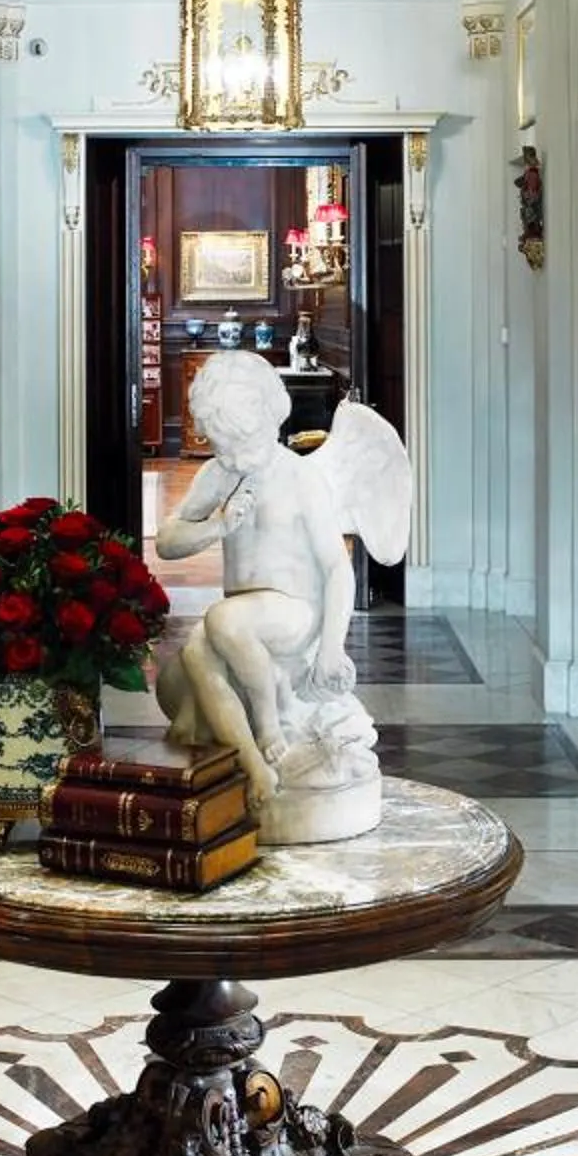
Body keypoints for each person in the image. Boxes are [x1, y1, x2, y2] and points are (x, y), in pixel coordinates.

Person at [154, 352, 407, 842]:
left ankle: (270, 723)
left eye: (240, 445)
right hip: (243, 624)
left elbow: (336, 569)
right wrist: (216, 525)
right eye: (221, 446)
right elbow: (166, 541)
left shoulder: (301, 477)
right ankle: (254, 765)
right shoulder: (218, 475)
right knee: (190, 661)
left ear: (268, 418)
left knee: (222, 621)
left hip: (295, 615)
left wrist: (331, 646)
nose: (232, 458)